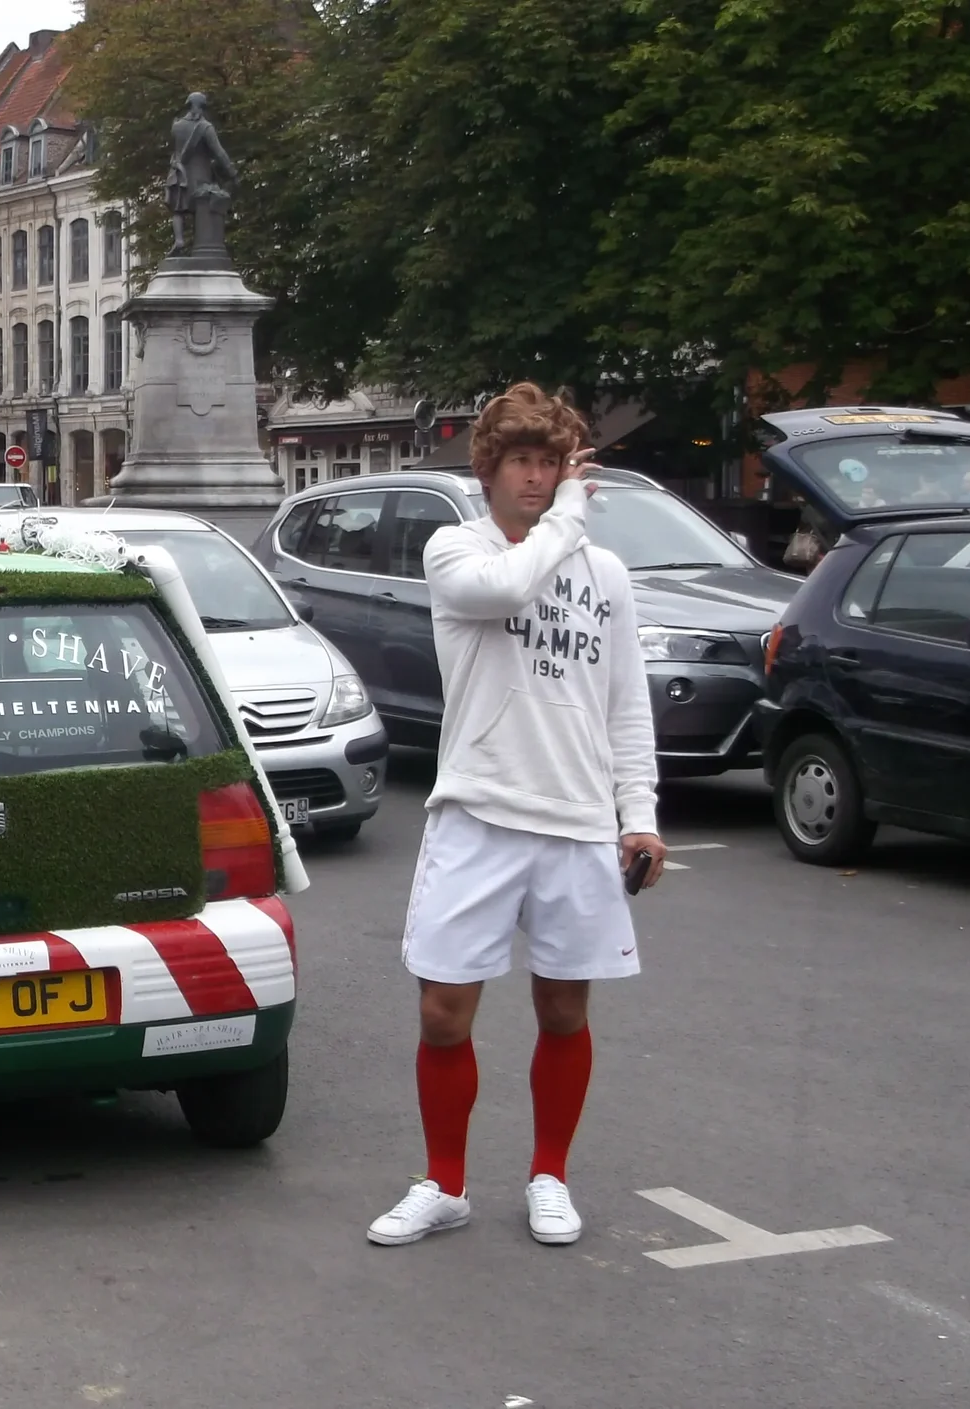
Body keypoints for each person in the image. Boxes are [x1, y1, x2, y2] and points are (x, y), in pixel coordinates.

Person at [369, 383, 665, 1250]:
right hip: (478, 810)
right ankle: (445, 1182)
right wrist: (570, 518)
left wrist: (637, 814)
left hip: (574, 818)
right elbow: (505, 589)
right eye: (521, 463)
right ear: (489, 470)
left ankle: (549, 1175)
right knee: (443, 1012)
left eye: (550, 463)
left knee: (565, 1010)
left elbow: (625, 705)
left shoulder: (604, 577)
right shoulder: (454, 549)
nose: (535, 480)